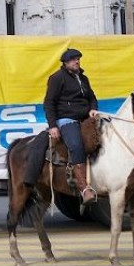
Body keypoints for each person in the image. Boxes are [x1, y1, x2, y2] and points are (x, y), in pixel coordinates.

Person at [23, 48, 99, 205]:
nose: (77, 61)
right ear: (65, 62)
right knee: (76, 145)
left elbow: (92, 97)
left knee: (104, 137)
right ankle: (84, 188)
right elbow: (49, 103)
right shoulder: (57, 78)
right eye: (73, 59)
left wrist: (93, 108)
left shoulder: (83, 78)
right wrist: (53, 126)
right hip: (66, 119)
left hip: (85, 118)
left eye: (78, 58)